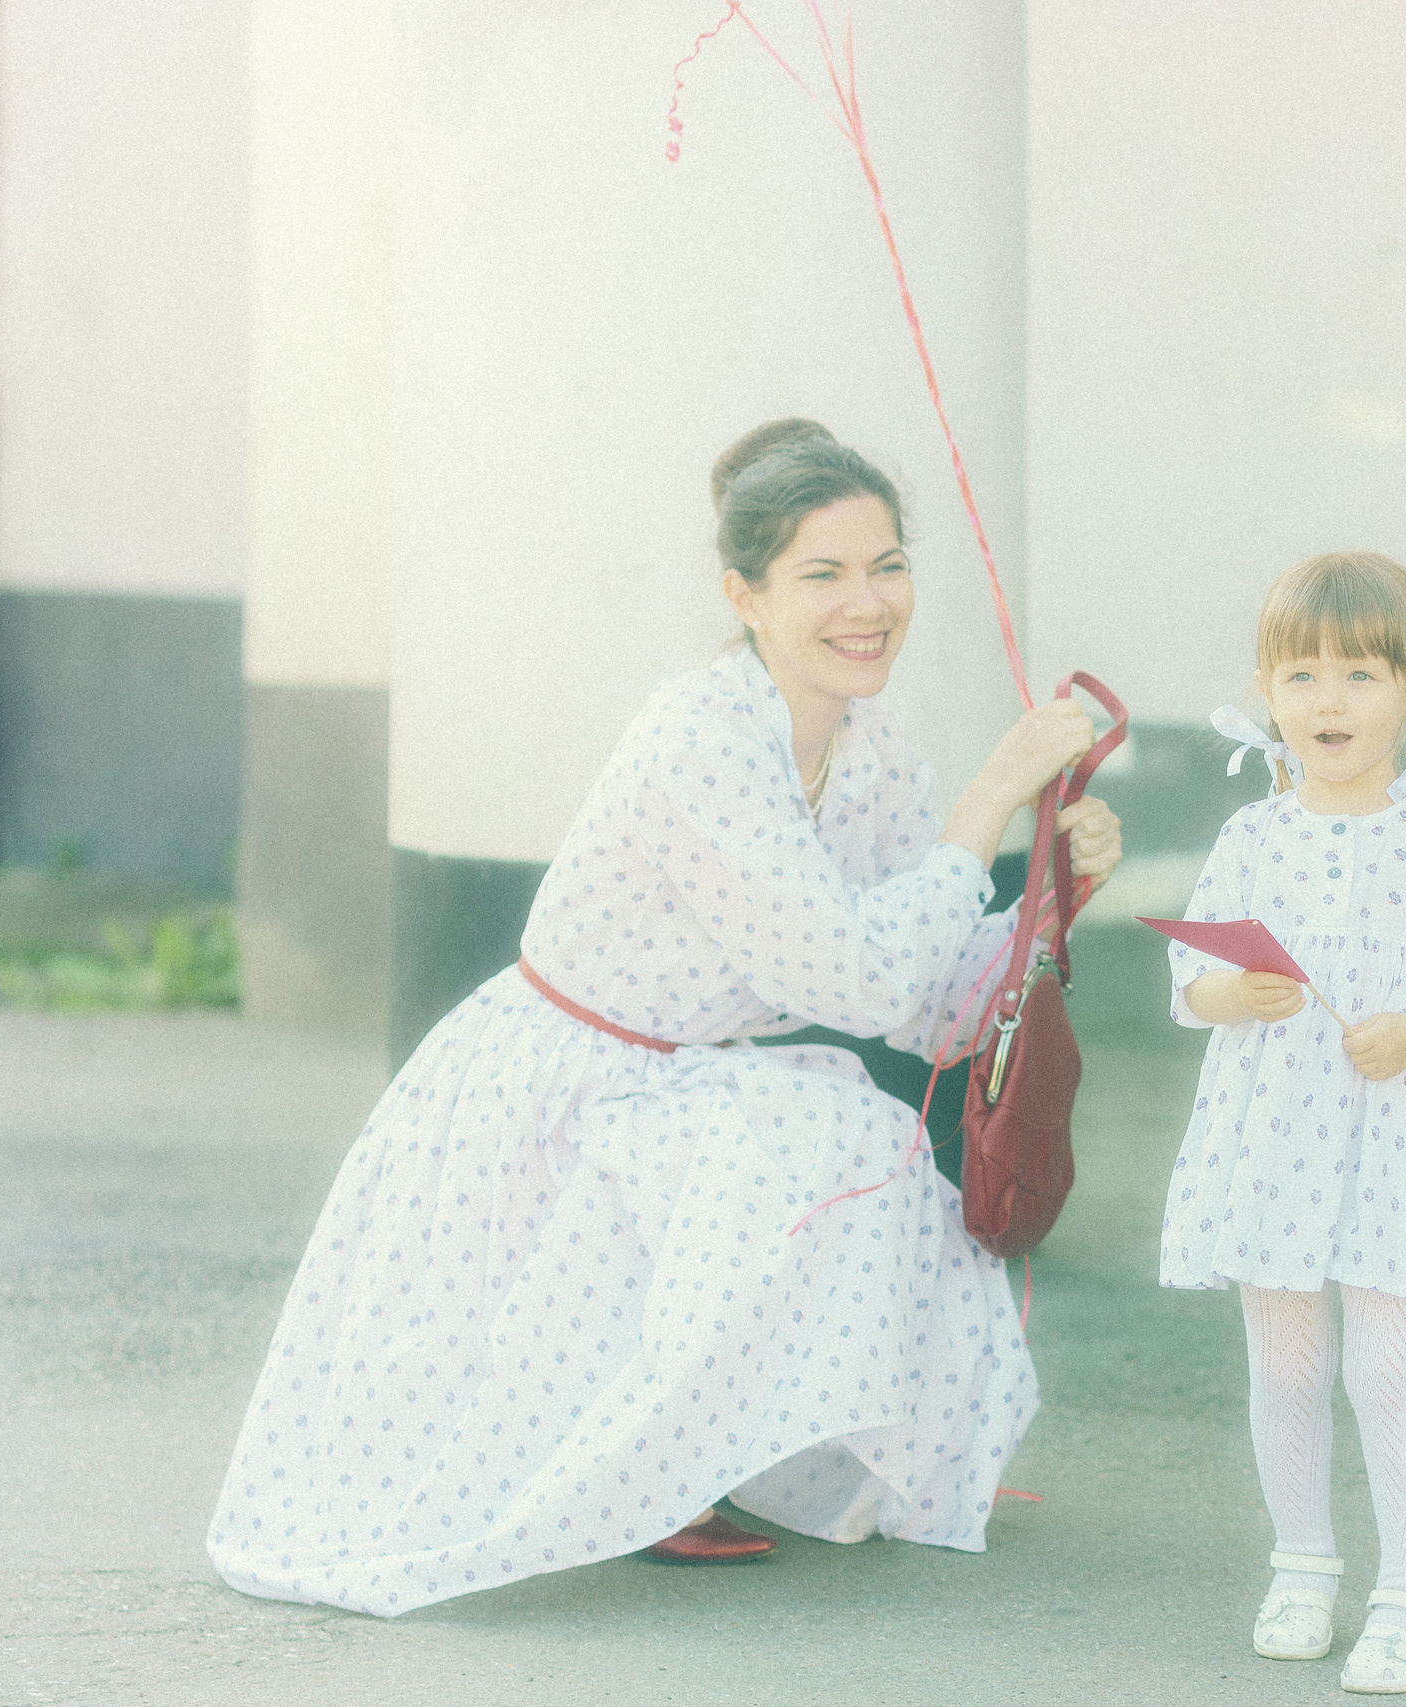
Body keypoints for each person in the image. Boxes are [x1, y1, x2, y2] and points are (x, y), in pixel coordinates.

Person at [207, 419, 1123, 1615]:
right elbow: (852, 980)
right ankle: (656, 1473)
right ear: (743, 596)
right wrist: (991, 802)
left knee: (847, 1140)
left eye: (887, 566)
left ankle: (702, 1454)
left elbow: (930, 1006)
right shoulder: (698, 736)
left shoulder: (874, 745)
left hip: (681, 1077)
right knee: (776, 1146)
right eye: (823, 575)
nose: (869, 603)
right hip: (553, 1079)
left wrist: (1051, 902)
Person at [1161, 552, 1406, 1694]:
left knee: (1386, 1367)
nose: (1330, 702)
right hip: (1272, 1139)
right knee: (1285, 1367)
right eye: (1304, 675)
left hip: (1400, 1147)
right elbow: (1193, 982)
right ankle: (1302, 1566)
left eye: (1362, 674)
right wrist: (1241, 993)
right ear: (1266, 689)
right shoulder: (1251, 837)